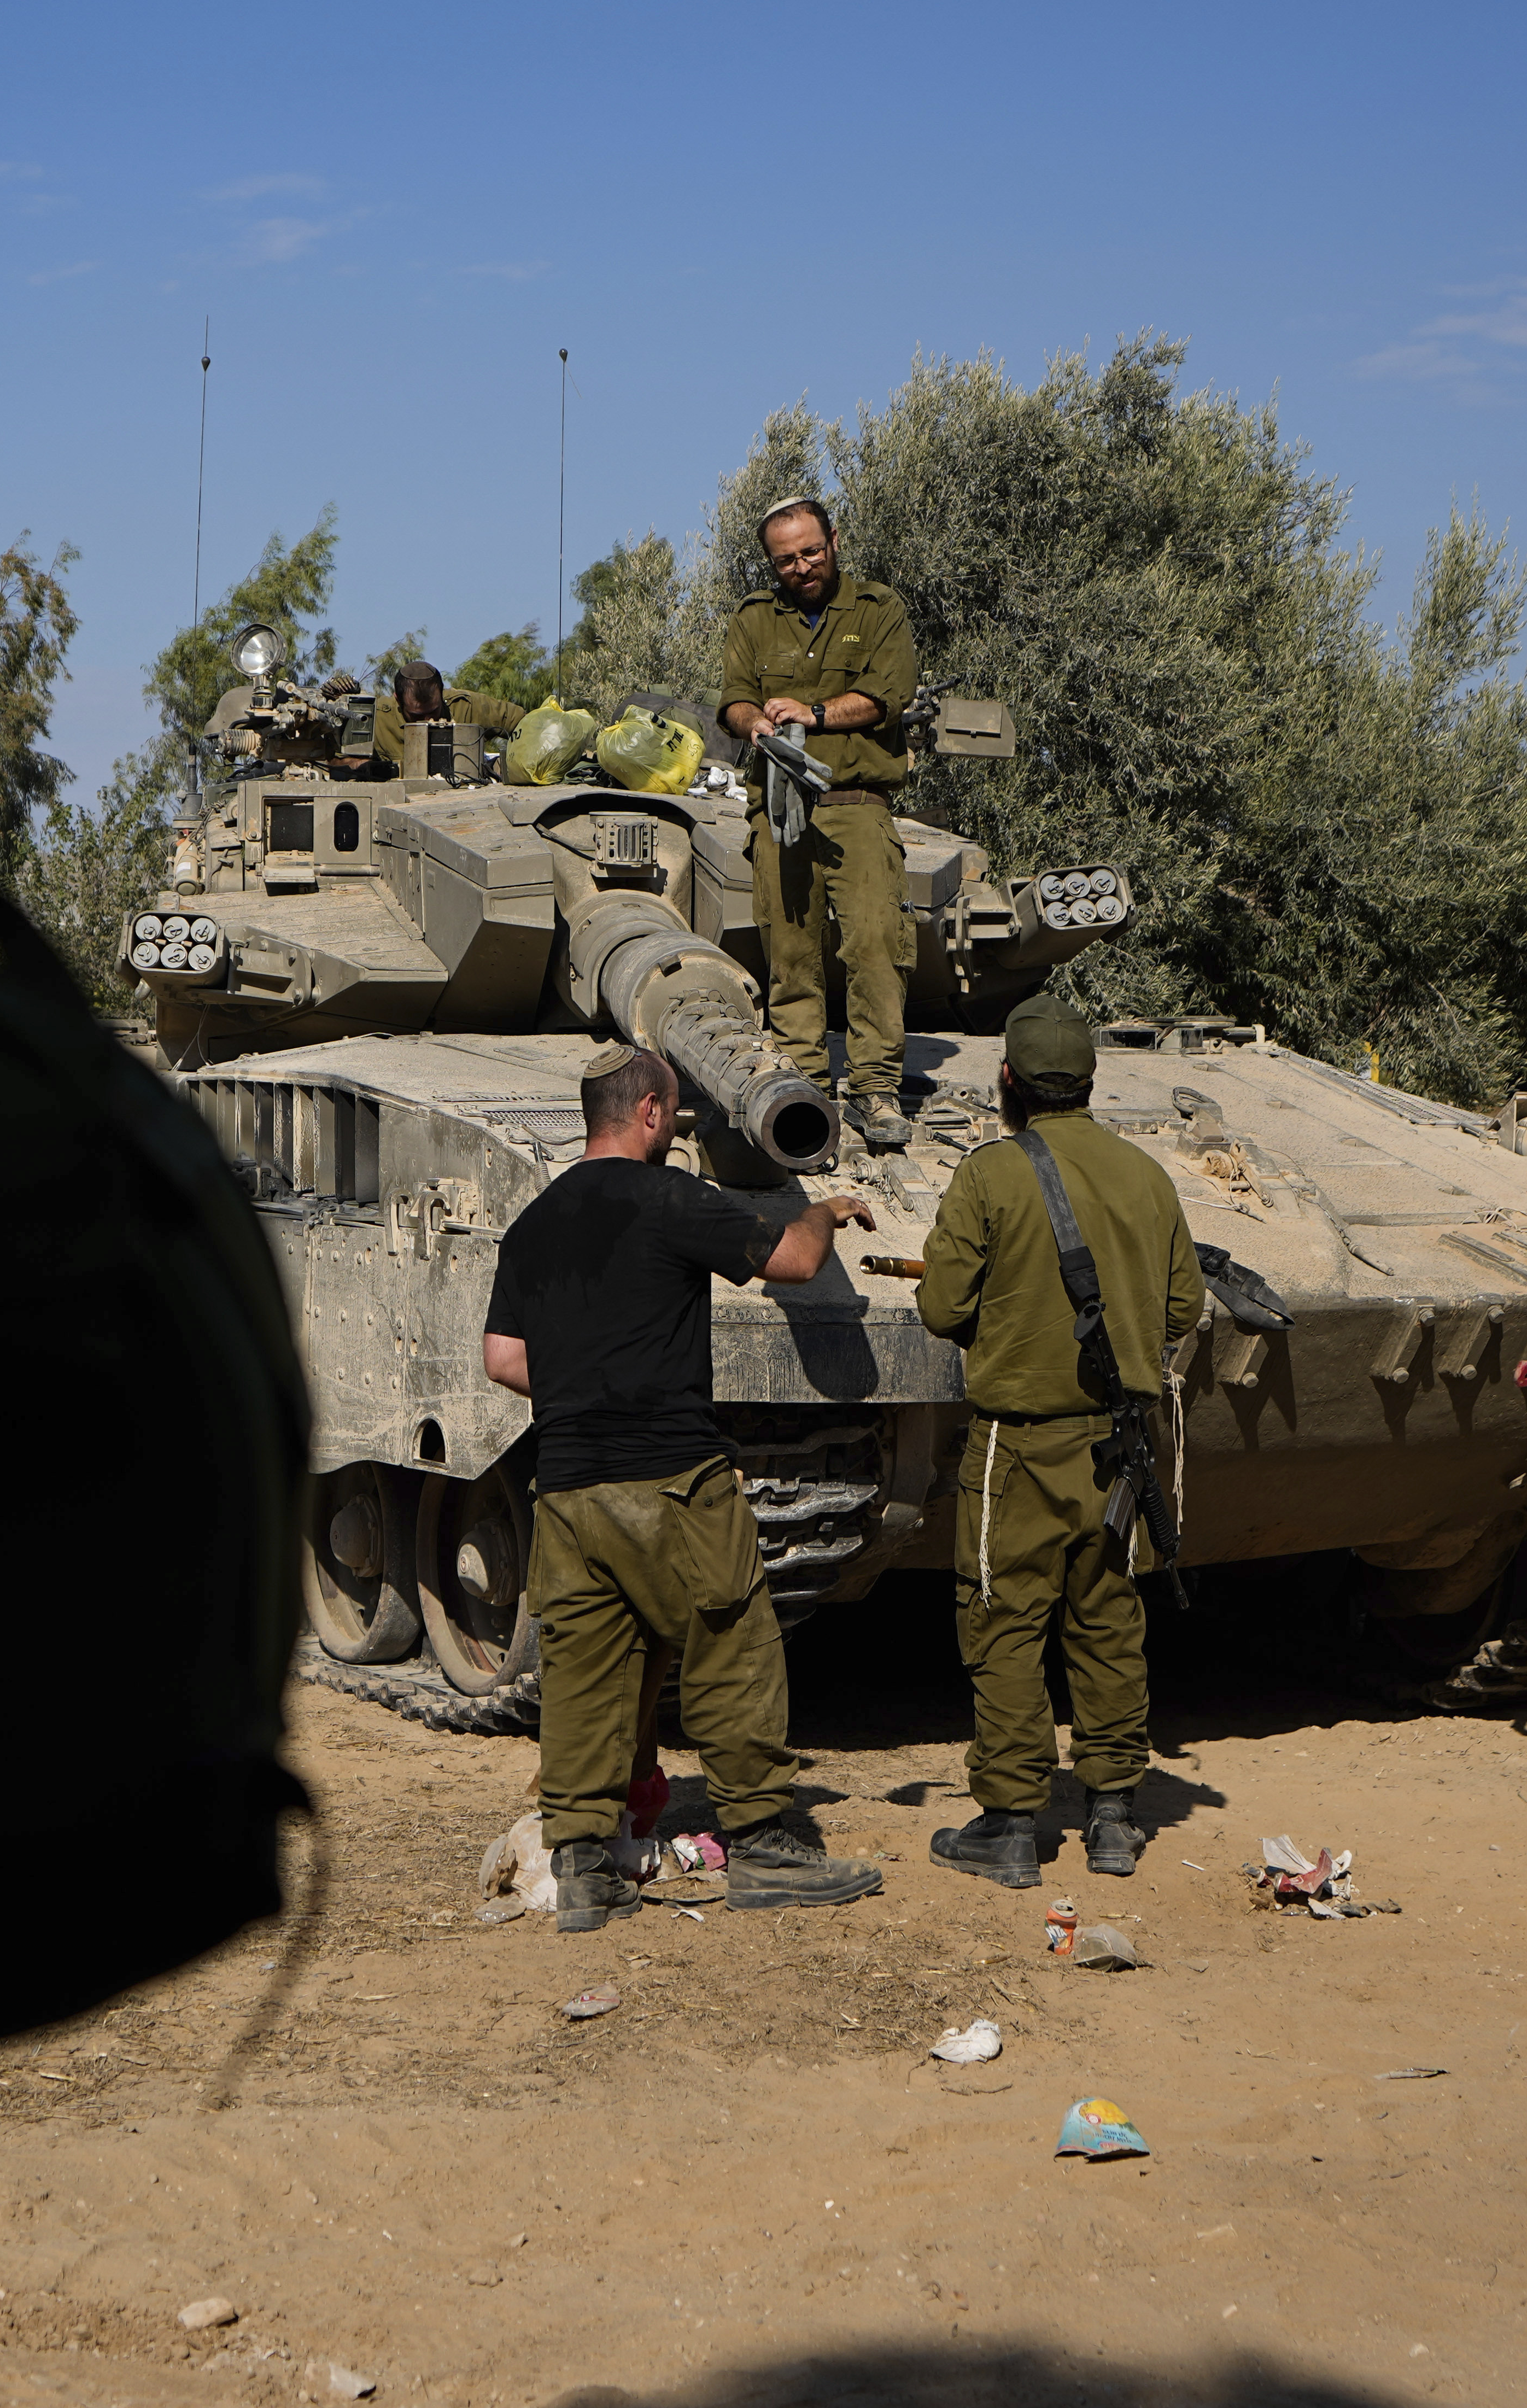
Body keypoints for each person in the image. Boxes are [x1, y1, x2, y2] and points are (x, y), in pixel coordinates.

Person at [478, 1043, 888, 1929]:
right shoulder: (665, 1196)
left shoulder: (532, 1225)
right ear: (651, 1112)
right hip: (667, 1474)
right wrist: (820, 1210)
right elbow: (790, 1259)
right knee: (729, 1641)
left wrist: (585, 1382)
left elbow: (502, 1358)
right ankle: (767, 1848)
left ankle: (585, 1867)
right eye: (676, 1114)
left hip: (567, 1488)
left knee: (587, 1670)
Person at [908, 995, 1207, 1890]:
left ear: (1006, 1081)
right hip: (1120, 1443)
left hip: (1017, 1443)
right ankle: (1112, 1815)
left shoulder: (990, 1174)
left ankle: (1008, 1822)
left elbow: (939, 1307)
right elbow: (1184, 1306)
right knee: (1109, 1620)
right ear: (1088, 1081)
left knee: (1003, 1619)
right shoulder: (1143, 1174)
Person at [716, 499, 919, 1152]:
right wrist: (757, 725)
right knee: (790, 952)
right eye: (786, 559)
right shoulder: (753, 619)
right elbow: (734, 699)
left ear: (833, 539)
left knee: (874, 949)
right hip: (778, 805)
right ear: (771, 562)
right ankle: (802, 1080)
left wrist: (812, 712)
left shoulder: (877, 610)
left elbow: (888, 695)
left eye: (811, 552)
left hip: (856, 803)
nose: (801, 567)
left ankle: (874, 1089)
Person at [368, 656, 524, 775]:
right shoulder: (377, 718)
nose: (429, 721)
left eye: (434, 711)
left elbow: (526, 724)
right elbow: (345, 762)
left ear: (442, 693)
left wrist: (502, 765)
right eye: (417, 715)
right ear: (398, 700)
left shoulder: (466, 707)